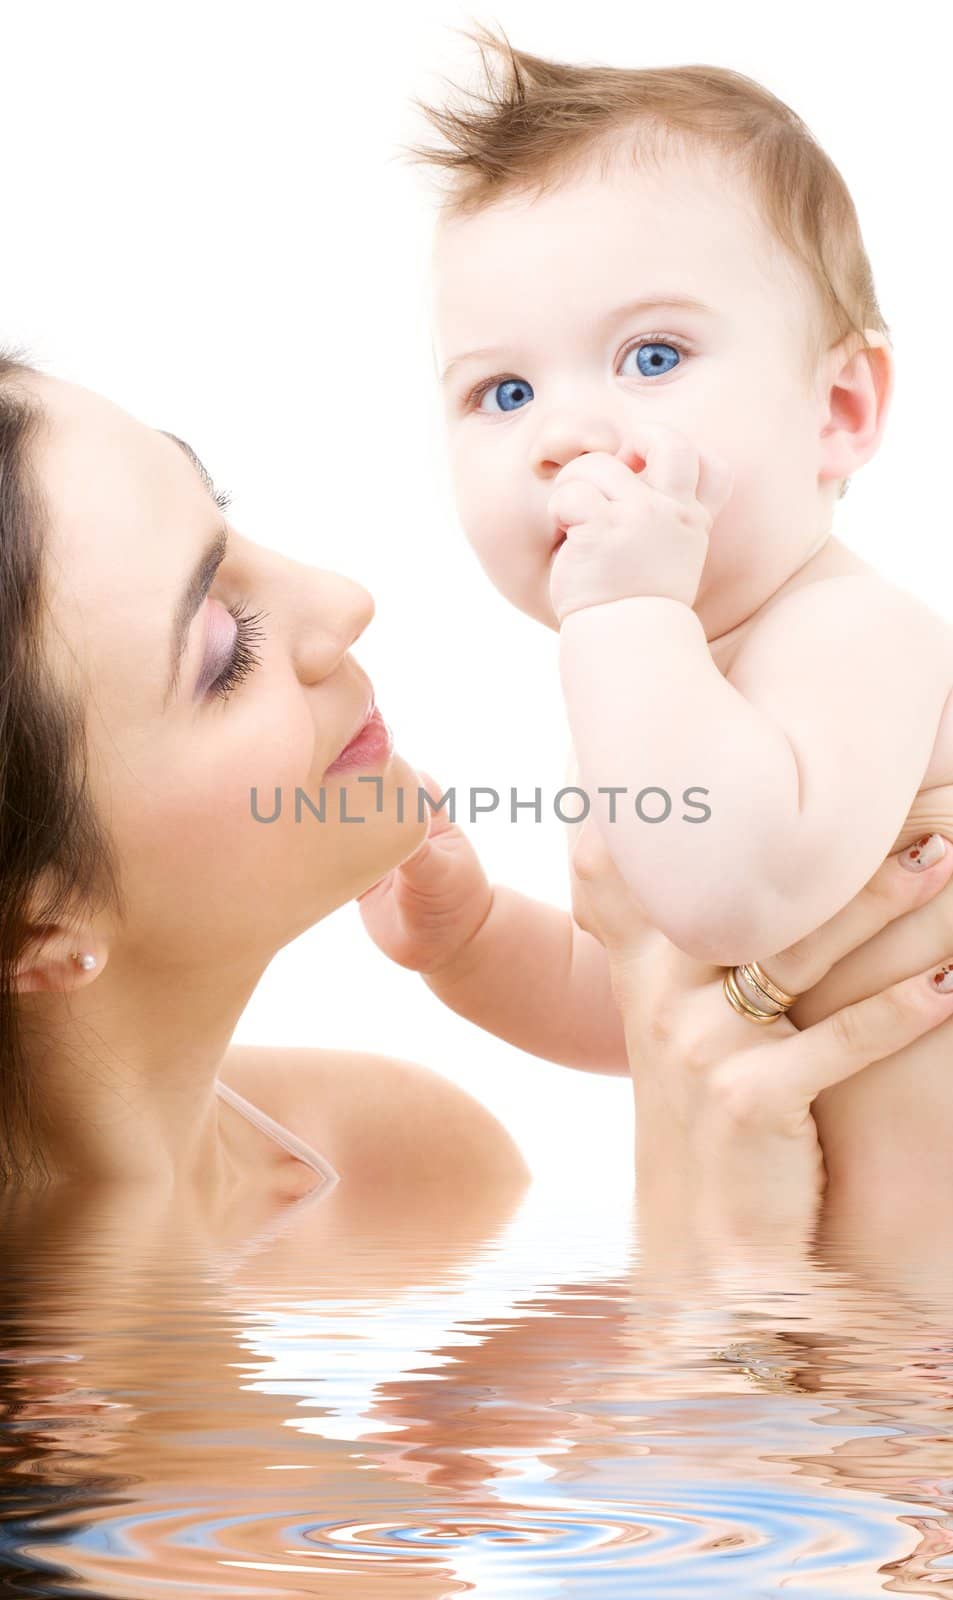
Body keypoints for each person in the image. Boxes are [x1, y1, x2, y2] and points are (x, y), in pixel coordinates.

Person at [2, 346, 952, 1256]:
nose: (344, 600)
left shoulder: (406, 1168)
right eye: (222, 646)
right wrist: (722, 1238)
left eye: (223, 511)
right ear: (28, 934)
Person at [359, 29, 953, 1210]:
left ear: (836, 408)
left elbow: (734, 896)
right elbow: (653, 1007)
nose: (565, 434)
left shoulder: (854, 633)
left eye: (651, 354)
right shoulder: (646, 676)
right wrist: (472, 942)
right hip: (798, 1346)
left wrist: (625, 612)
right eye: (504, 391)